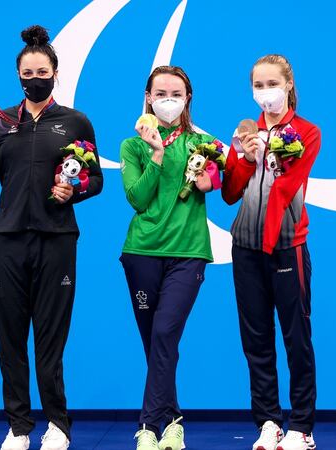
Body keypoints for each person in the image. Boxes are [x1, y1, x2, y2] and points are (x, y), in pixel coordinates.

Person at [0, 25, 103, 450]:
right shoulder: (1, 122)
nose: (33, 78)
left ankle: (58, 426)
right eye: (26, 73)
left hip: (57, 239)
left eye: (41, 71)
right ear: (18, 76)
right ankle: (18, 427)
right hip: (6, 241)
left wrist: (74, 189)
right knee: (10, 337)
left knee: (50, 338)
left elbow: (95, 179)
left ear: (55, 72)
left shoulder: (75, 121)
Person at [119, 65, 222, 450]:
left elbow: (226, 179)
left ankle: (147, 425)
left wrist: (213, 179)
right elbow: (137, 198)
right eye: (160, 94)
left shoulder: (202, 142)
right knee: (156, 344)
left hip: (187, 252)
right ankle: (174, 421)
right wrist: (157, 154)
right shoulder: (132, 146)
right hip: (141, 252)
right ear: (148, 98)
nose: (168, 100)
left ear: (187, 98)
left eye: (175, 94)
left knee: (165, 334)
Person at [221, 54, 321, 450]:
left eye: (272, 84)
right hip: (245, 249)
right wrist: (245, 158)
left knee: (296, 338)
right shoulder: (245, 132)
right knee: (256, 340)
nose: (265, 93)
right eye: (258, 86)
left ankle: (301, 427)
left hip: (285, 248)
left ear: (289, 85)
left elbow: (286, 188)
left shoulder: (308, 133)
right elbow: (229, 194)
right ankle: (268, 422)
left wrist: (272, 157)